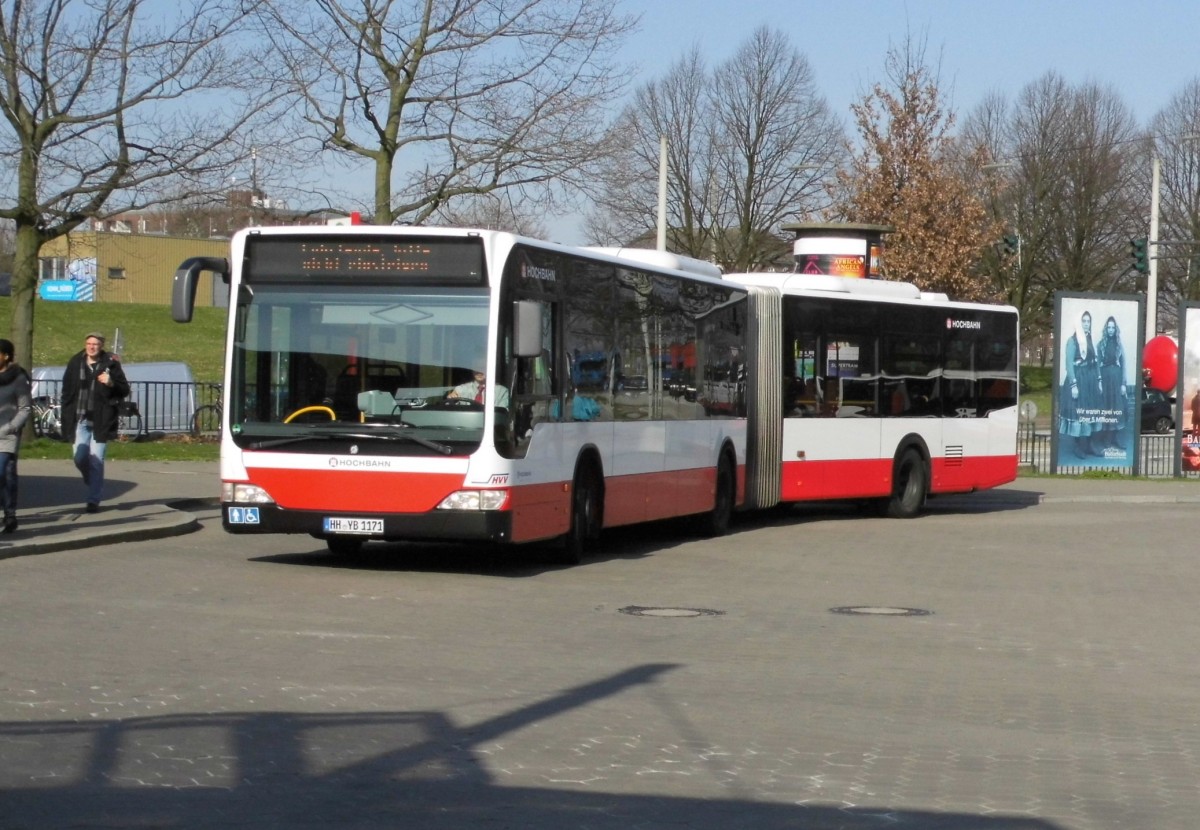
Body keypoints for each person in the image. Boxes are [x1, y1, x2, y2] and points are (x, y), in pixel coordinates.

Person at [60, 332, 130, 513]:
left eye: (95, 344)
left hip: (101, 419)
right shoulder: (75, 362)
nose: (92, 347)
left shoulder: (111, 364)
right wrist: (66, 414)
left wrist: (111, 383)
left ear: (101, 346)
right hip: (80, 419)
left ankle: (93, 500)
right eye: (89, 344)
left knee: (97, 461)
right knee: (80, 457)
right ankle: (92, 480)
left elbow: (124, 389)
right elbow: (67, 391)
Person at [1058, 310, 1103, 458]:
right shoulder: (1072, 341)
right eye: (1084, 321)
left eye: (1088, 321)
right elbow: (1069, 365)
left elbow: (1095, 362)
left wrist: (1099, 381)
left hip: (1090, 381)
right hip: (1079, 379)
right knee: (1079, 413)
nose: (1086, 324)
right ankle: (1078, 446)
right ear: (1079, 323)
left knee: (1090, 412)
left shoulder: (1090, 340)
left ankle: (1089, 445)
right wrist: (1074, 385)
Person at [0, 339, 32, 533]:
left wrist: (12, 427)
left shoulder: (18, 378)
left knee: (5, 472)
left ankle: (10, 514)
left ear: (6, 356)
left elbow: (25, 408)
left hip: (7, 435)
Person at [1095, 315, 1127, 451]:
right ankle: (1106, 438)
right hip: (1105, 378)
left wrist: (1123, 384)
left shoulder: (1119, 345)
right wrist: (1099, 381)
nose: (1111, 330)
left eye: (1113, 328)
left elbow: (1124, 364)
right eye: (1109, 327)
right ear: (1106, 329)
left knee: (1117, 408)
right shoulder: (1100, 344)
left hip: (1116, 378)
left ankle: (1115, 438)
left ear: (1116, 329)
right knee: (1107, 407)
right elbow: (1097, 364)